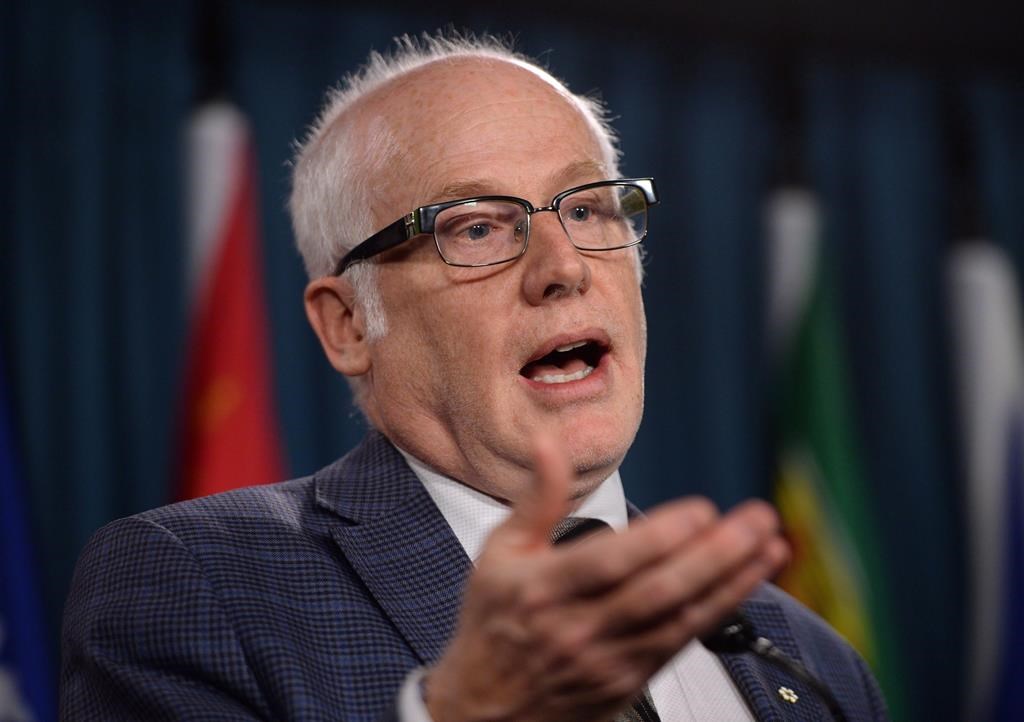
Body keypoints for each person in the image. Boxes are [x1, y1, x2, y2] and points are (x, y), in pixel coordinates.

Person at [61, 34, 888, 721]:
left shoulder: (812, 660)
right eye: (478, 227)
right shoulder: (196, 585)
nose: (562, 267)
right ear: (349, 323)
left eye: (589, 208)